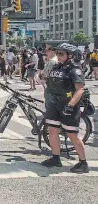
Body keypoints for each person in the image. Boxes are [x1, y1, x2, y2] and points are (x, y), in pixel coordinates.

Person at [42, 43, 88, 173]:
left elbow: (80, 90)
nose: (59, 57)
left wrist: (70, 105)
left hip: (67, 105)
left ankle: (83, 163)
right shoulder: (57, 67)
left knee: (72, 134)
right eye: (58, 54)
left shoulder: (74, 69)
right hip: (54, 104)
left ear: (70, 55)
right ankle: (56, 158)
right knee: (52, 130)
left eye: (61, 54)